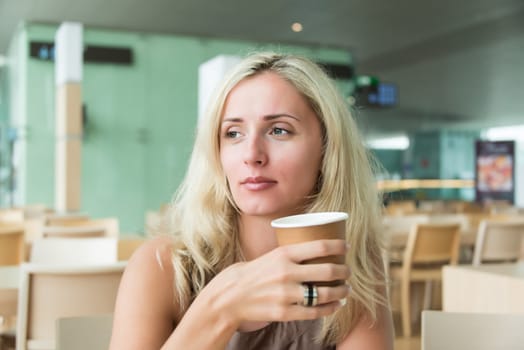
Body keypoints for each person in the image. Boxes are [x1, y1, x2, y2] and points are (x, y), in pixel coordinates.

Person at [109, 52, 394, 349]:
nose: (251, 154)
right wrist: (221, 309)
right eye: (233, 133)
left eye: (279, 130)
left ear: (326, 149)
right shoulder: (160, 267)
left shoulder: (350, 266)